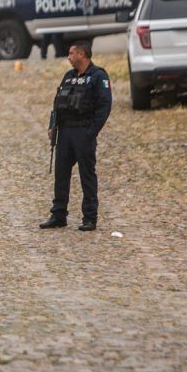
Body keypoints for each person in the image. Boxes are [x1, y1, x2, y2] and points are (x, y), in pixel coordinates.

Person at [40, 40, 112, 231]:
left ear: (82, 54)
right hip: (65, 132)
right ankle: (58, 214)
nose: (69, 57)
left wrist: (91, 131)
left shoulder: (98, 76)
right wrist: (52, 126)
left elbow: (104, 106)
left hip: (83, 131)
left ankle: (89, 217)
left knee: (87, 175)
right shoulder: (68, 77)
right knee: (61, 174)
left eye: (71, 53)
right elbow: (57, 103)